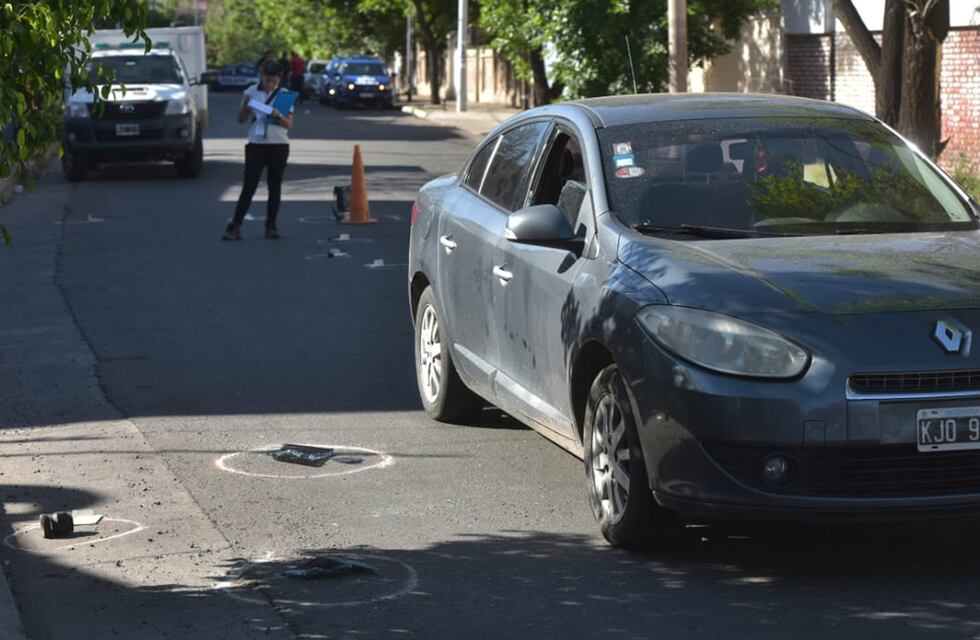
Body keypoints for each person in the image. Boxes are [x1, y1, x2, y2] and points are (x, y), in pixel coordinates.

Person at [222, 61, 295, 241]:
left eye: (274, 81)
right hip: (256, 144)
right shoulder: (251, 91)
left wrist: (278, 115)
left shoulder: (285, 95)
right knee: (249, 186)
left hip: (278, 145)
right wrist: (245, 105)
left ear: (279, 80)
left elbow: (289, 124)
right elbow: (241, 119)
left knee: (274, 187)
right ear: (262, 77)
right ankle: (235, 226)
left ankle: (271, 226)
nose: (270, 84)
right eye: (267, 80)